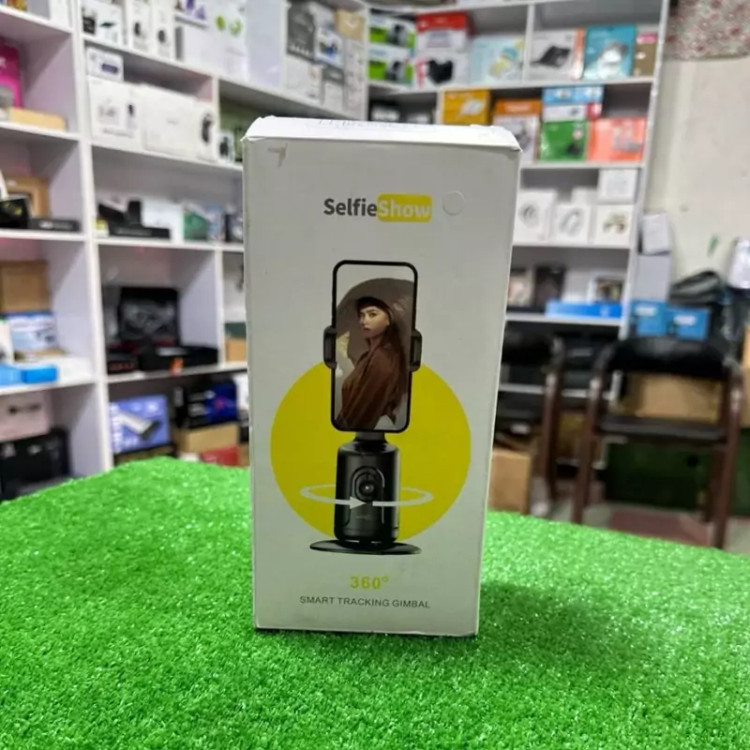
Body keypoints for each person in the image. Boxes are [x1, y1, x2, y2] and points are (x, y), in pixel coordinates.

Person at [336, 296, 408, 431]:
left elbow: (366, 407)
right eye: (361, 315)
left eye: (372, 314)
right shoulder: (369, 356)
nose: (364, 321)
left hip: (373, 427)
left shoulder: (383, 358)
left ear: (389, 319)